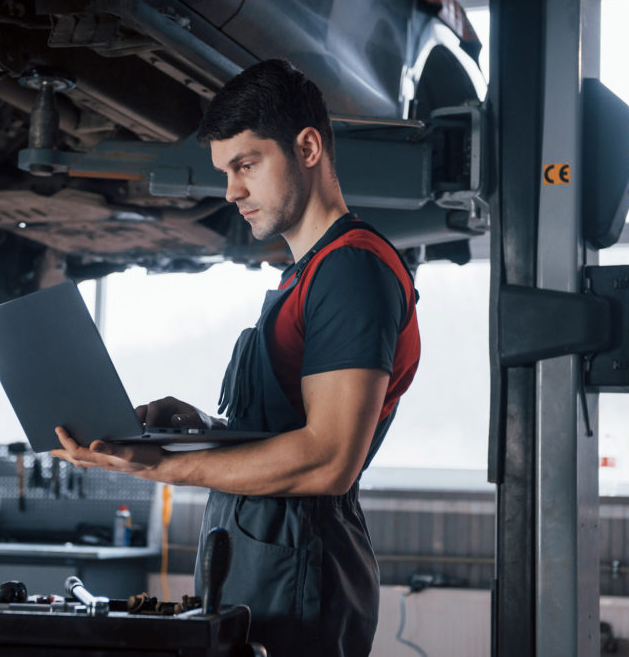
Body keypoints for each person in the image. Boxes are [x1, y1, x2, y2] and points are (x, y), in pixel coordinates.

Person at [52, 58, 420, 657]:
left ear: (306, 147)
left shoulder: (351, 268)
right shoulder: (303, 275)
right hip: (257, 555)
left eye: (246, 165)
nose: (230, 191)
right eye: (225, 171)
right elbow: (286, 430)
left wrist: (162, 468)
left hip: (302, 565)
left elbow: (328, 460)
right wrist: (200, 431)